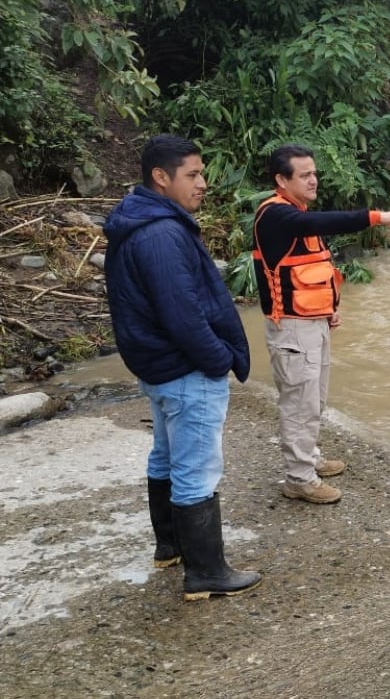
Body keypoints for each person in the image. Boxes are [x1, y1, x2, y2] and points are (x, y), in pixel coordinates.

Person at [104, 134, 262, 601]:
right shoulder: (161, 233)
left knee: (166, 457)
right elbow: (182, 313)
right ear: (161, 177)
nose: (203, 183)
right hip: (184, 369)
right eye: (192, 174)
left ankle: (169, 546)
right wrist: (218, 360)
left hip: (158, 367)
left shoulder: (140, 222)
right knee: (197, 468)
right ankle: (207, 573)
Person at [252, 143, 390, 504]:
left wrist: (330, 307)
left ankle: (308, 460)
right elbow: (320, 222)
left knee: (315, 398)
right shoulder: (277, 216)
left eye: (314, 173)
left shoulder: (297, 211)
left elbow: (315, 268)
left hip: (314, 323)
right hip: (292, 328)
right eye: (304, 175)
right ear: (281, 179)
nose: (313, 180)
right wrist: (375, 217)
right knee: (299, 403)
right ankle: (299, 479)